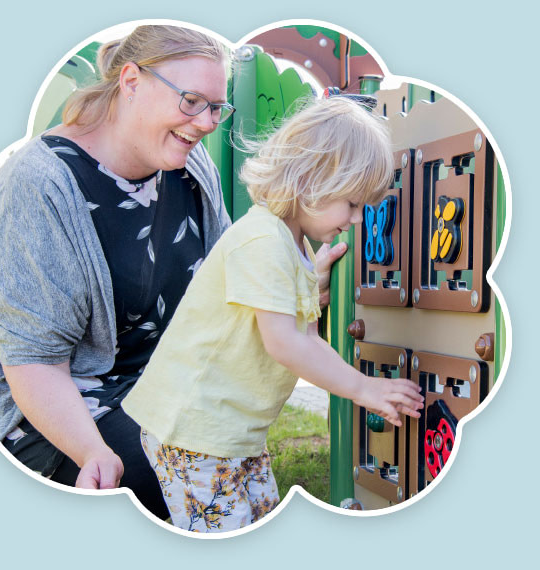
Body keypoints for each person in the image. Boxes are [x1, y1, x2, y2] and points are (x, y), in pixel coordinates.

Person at [0, 24, 347, 519]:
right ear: (131, 81)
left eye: (216, 107)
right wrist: (92, 452)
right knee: (169, 471)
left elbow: (227, 283)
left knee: (228, 454)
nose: (207, 123)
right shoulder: (37, 186)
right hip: (55, 405)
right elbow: (33, 362)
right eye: (192, 101)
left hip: (158, 381)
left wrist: (297, 285)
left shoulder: (189, 165)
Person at [121, 96, 425, 533]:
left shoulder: (295, 248)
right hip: (194, 430)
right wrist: (362, 388)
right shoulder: (262, 240)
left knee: (259, 522)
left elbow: (308, 336)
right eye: (352, 204)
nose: (358, 220)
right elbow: (285, 343)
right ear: (311, 179)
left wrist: (314, 282)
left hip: (235, 432)